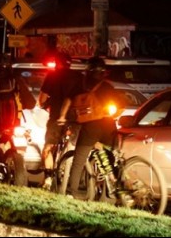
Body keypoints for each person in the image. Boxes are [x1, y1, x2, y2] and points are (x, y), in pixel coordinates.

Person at [62, 56, 128, 199]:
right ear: (103, 72)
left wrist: (62, 117)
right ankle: (114, 192)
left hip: (90, 127)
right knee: (110, 159)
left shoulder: (81, 85)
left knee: (79, 160)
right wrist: (114, 114)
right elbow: (121, 105)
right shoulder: (107, 87)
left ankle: (71, 191)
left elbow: (68, 100)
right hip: (108, 126)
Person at [37, 49, 82, 190]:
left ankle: (48, 178)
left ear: (57, 63)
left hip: (57, 118)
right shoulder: (79, 76)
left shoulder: (52, 76)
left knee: (48, 148)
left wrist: (44, 105)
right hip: (75, 119)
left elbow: (42, 99)